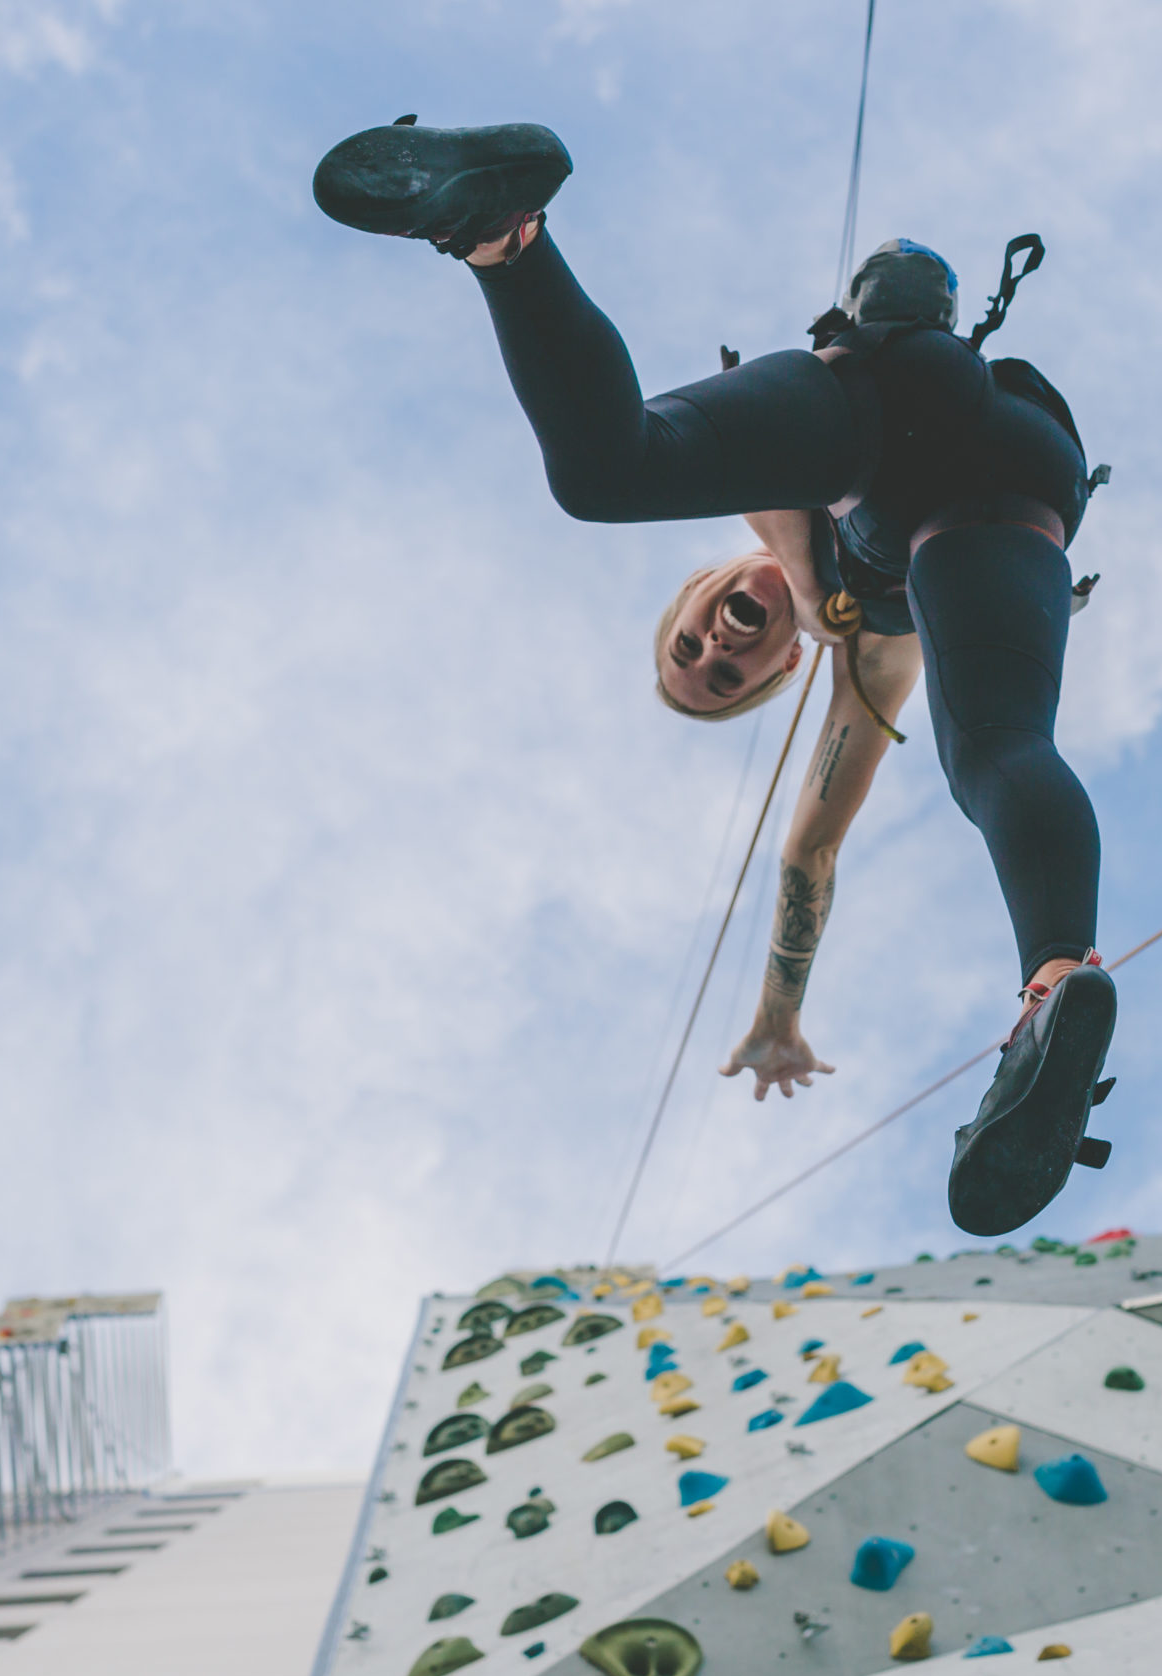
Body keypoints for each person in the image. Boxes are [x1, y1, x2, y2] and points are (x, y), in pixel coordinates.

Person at [312, 118, 1115, 1235]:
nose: (713, 652)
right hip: (994, 502)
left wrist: (807, 574)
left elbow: (737, 486)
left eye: (690, 646)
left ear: (702, 589)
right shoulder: (866, 669)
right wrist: (780, 1014)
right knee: (992, 750)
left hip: (887, 411)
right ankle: (1052, 993)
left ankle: (499, 229)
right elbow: (808, 855)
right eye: (726, 678)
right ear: (782, 668)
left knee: (606, 472)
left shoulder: (766, 493)